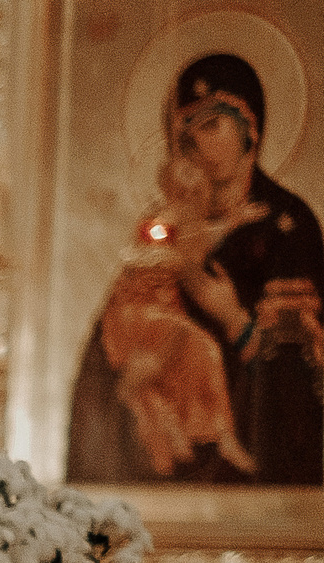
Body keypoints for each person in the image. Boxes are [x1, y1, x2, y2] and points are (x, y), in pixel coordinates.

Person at [69, 51, 324, 486]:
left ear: (251, 129)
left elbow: (299, 372)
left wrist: (233, 318)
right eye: (185, 131)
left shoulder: (287, 226)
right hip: (159, 480)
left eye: (211, 125)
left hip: (260, 483)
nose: (196, 144)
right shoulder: (164, 222)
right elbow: (115, 332)